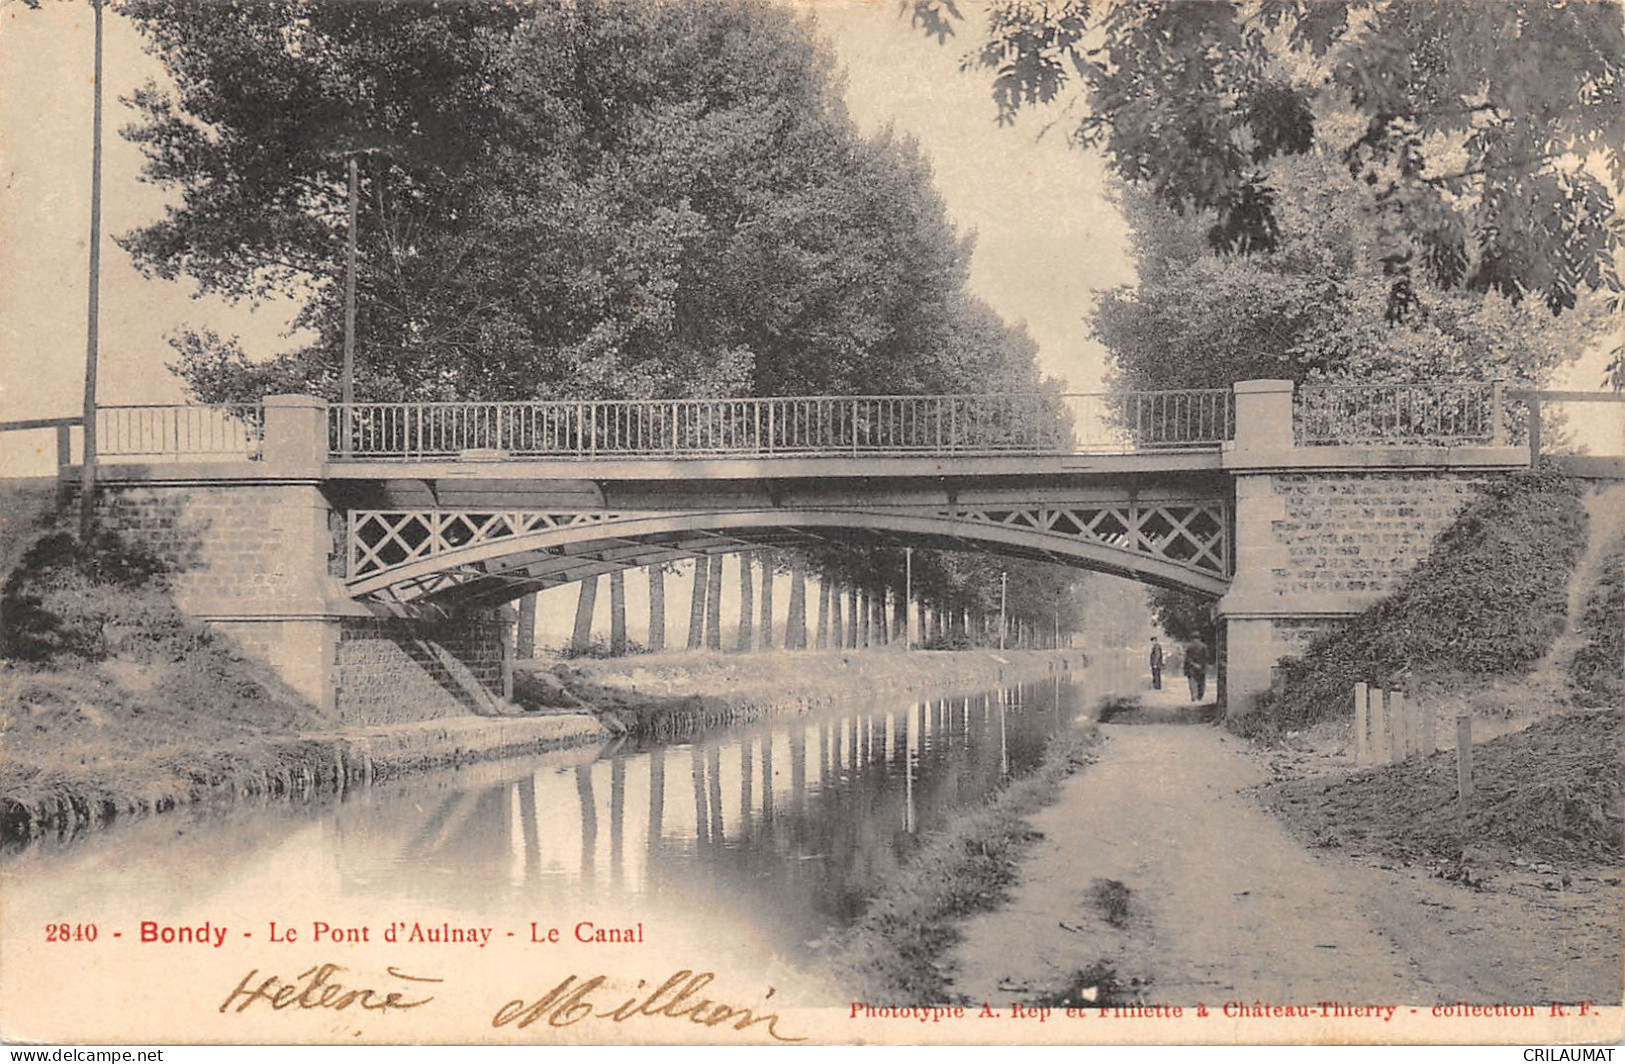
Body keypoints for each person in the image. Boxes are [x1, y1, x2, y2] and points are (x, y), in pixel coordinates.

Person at [1184, 637, 1209, 702]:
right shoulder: (1204, 646)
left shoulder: (1189, 646)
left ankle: (1194, 696)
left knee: (1192, 682)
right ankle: (1199, 696)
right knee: (1201, 683)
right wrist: (1202, 665)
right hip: (1201, 667)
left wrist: (1186, 668)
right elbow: (1206, 657)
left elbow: (1187, 658)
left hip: (1191, 667)